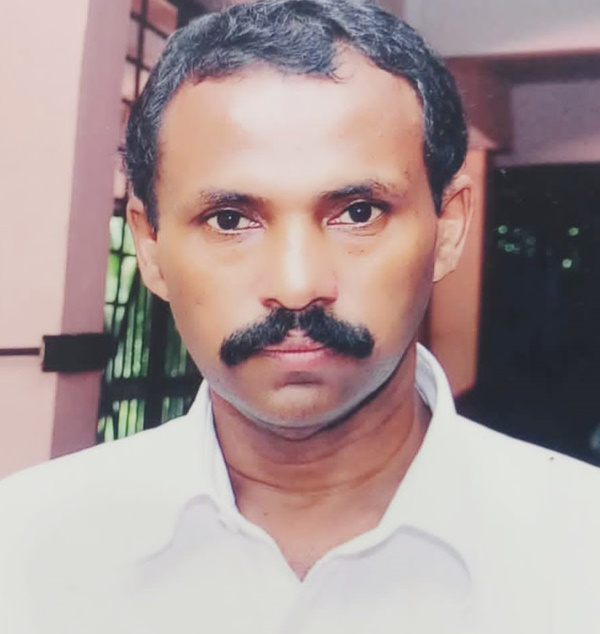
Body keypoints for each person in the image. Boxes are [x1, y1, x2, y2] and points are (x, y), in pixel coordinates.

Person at [1, 1, 599, 632]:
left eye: (358, 213)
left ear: (447, 228)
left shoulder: (578, 550)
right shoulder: (25, 549)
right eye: (230, 220)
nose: (296, 286)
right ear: (149, 247)